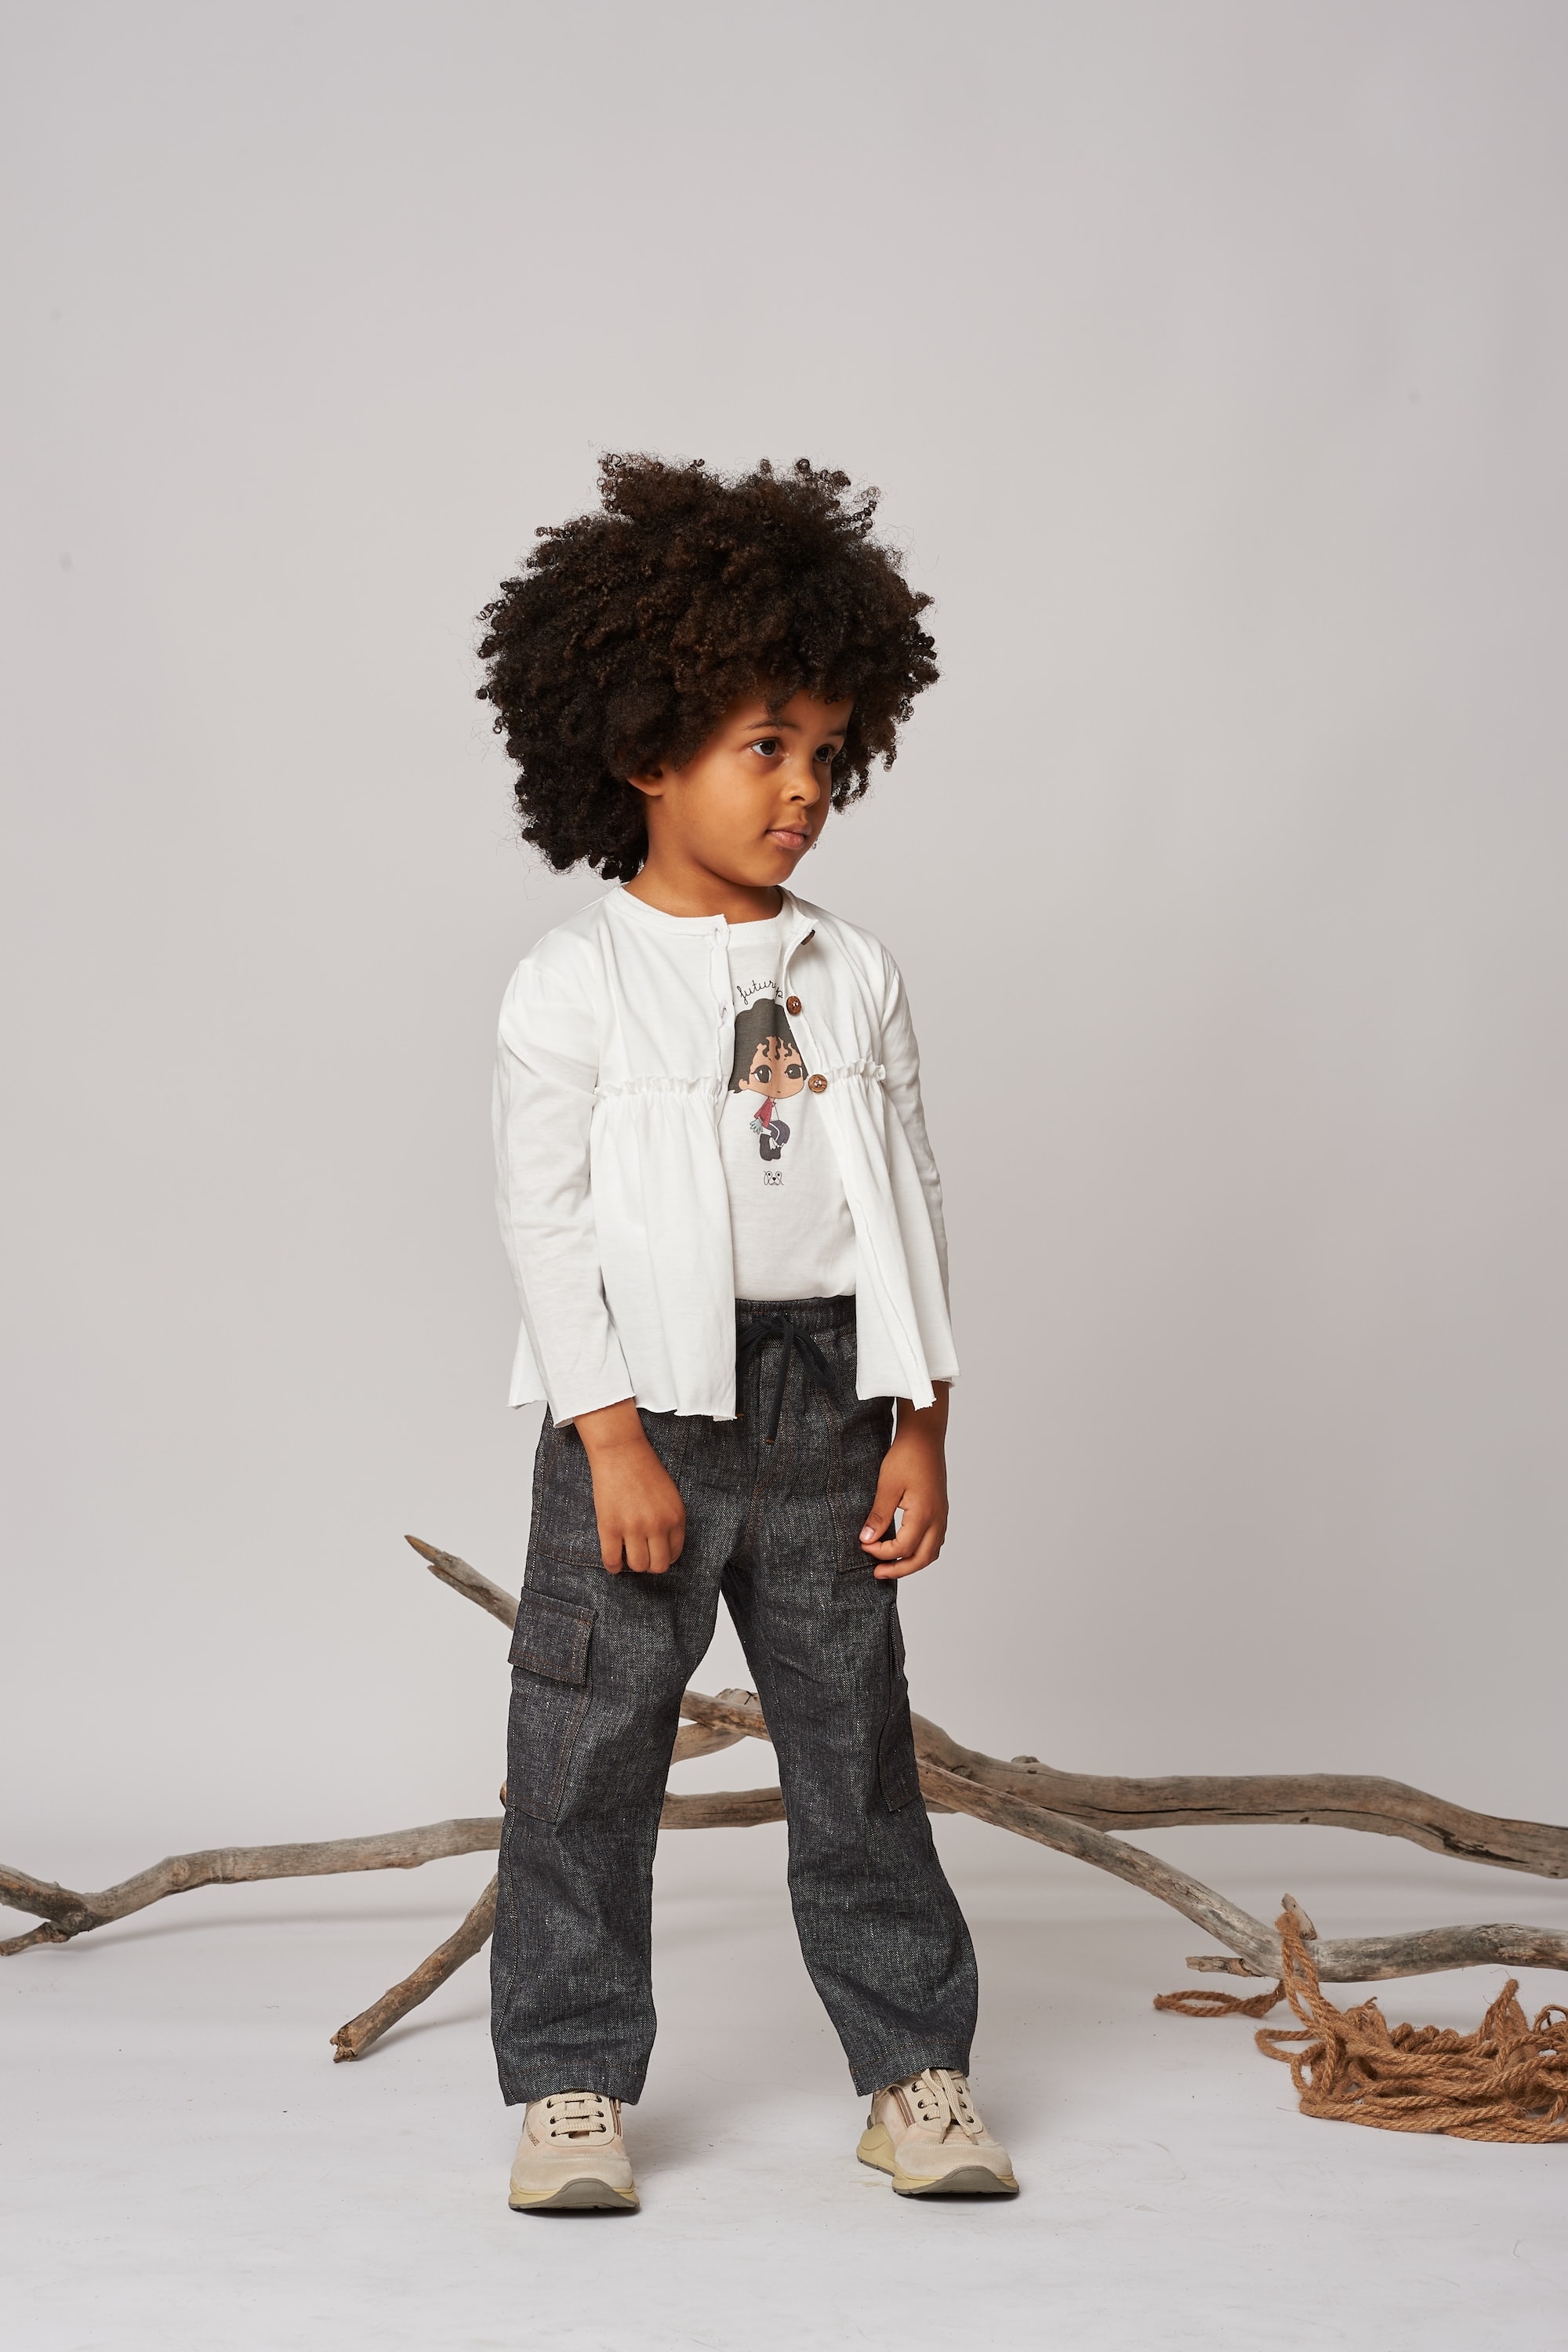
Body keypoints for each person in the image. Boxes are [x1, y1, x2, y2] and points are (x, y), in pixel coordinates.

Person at [479, 454, 1017, 2212]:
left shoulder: (855, 974)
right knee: (585, 1756)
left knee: (855, 1753)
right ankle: (569, 2087)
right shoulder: (574, 981)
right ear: (648, 749)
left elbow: (909, 1197)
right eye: (765, 745)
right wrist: (610, 1440)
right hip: (644, 1408)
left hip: (832, 1400)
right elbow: (545, 1226)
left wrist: (923, 1419)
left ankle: (914, 2070)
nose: (805, 789)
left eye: (827, 752)